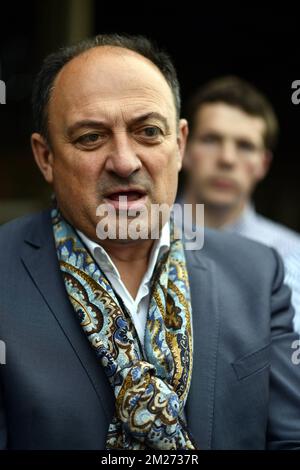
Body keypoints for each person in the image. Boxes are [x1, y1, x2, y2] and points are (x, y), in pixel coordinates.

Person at [0, 35, 299, 450]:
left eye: (148, 132)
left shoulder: (257, 274)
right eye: (91, 137)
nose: (124, 160)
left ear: (179, 144)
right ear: (45, 157)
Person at [182, 76, 300, 333]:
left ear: (263, 165)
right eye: (211, 139)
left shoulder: (292, 257)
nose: (227, 159)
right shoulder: (141, 234)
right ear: (183, 148)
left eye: (245, 146)